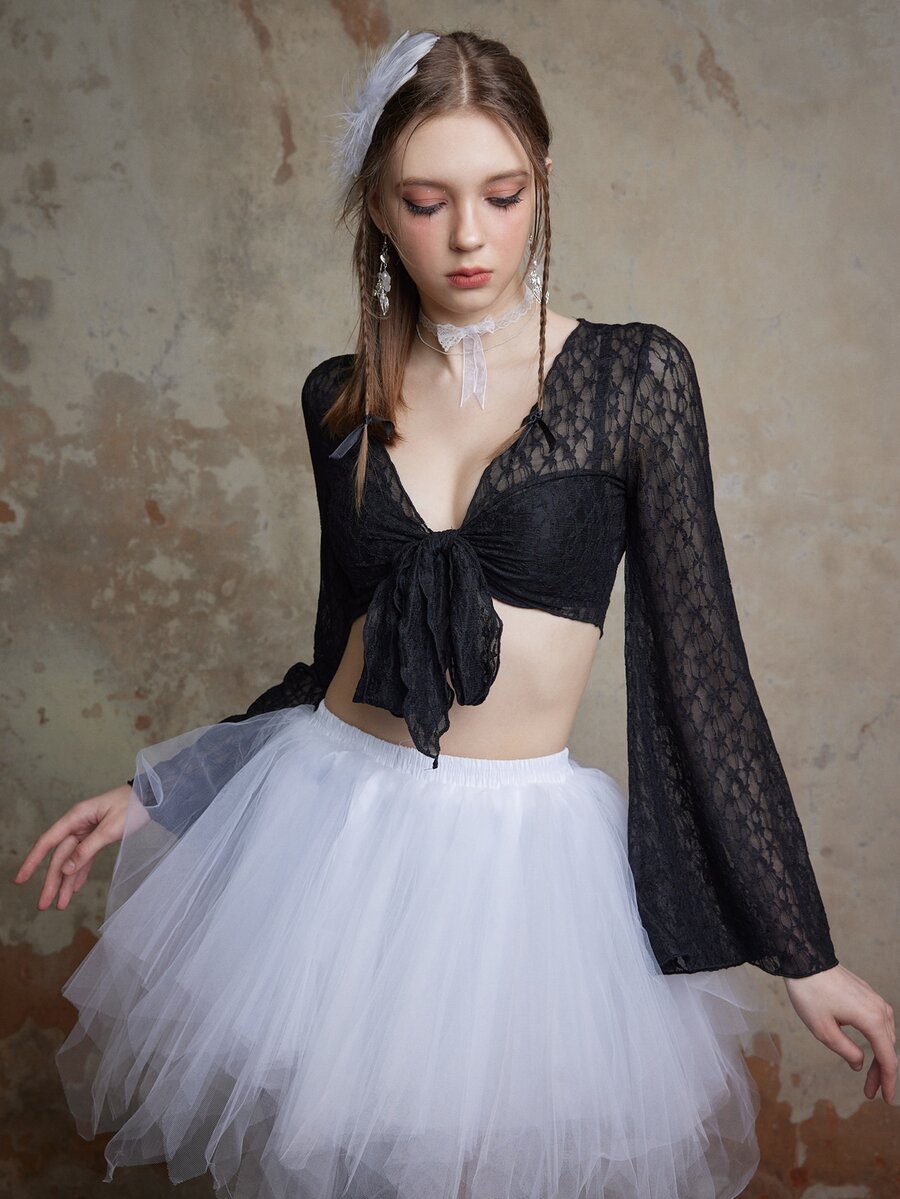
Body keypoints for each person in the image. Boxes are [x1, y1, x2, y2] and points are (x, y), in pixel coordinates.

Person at [12, 27, 896, 1199]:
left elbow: (706, 672)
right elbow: (337, 658)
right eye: (427, 202)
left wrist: (803, 950)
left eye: (502, 194)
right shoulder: (339, 398)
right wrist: (168, 789)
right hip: (329, 842)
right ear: (379, 208)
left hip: (520, 874)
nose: (469, 235)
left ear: (543, 181)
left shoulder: (634, 378)